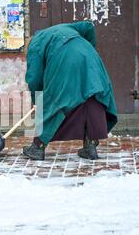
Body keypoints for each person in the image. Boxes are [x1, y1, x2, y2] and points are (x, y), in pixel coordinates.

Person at [23, 21, 117, 160]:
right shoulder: (62, 28)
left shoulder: (35, 44)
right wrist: (89, 49)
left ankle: (38, 147)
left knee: (53, 99)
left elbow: (35, 78)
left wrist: (37, 100)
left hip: (64, 60)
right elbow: (89, 26)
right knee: (91, 97)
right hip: (89, 57)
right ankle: (90, 146)